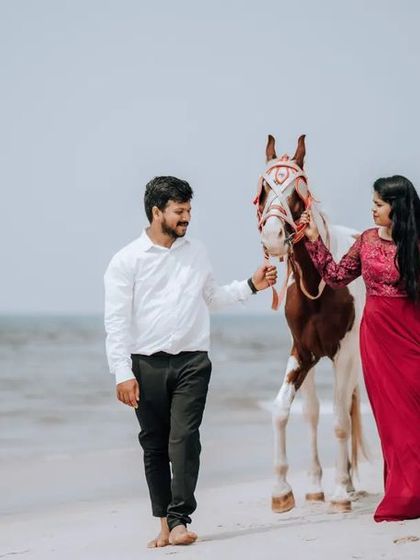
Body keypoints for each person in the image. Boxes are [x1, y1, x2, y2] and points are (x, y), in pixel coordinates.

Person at [104, 176, 277, 547]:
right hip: (145, 365)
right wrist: (122, 373)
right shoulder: (126, 261)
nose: (186, 218)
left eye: (189, 211)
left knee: (184, 438)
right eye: (179, 211)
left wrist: (251, 285)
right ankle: (164, 524)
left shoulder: (196, 251)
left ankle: (180, 518)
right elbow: (116, 322)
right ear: (157, 212)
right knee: (153, 444)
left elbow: (211, 298)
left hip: (192, 363)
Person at [300, 174, 420, 522]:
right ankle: (405, 493)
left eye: (379, 204)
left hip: (412, 334)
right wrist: (313, 242)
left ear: (396, 207)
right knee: (393, 420)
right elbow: (336, 276)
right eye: (373, 202)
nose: (373, 209)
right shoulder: (366, 241)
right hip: (378, 338)